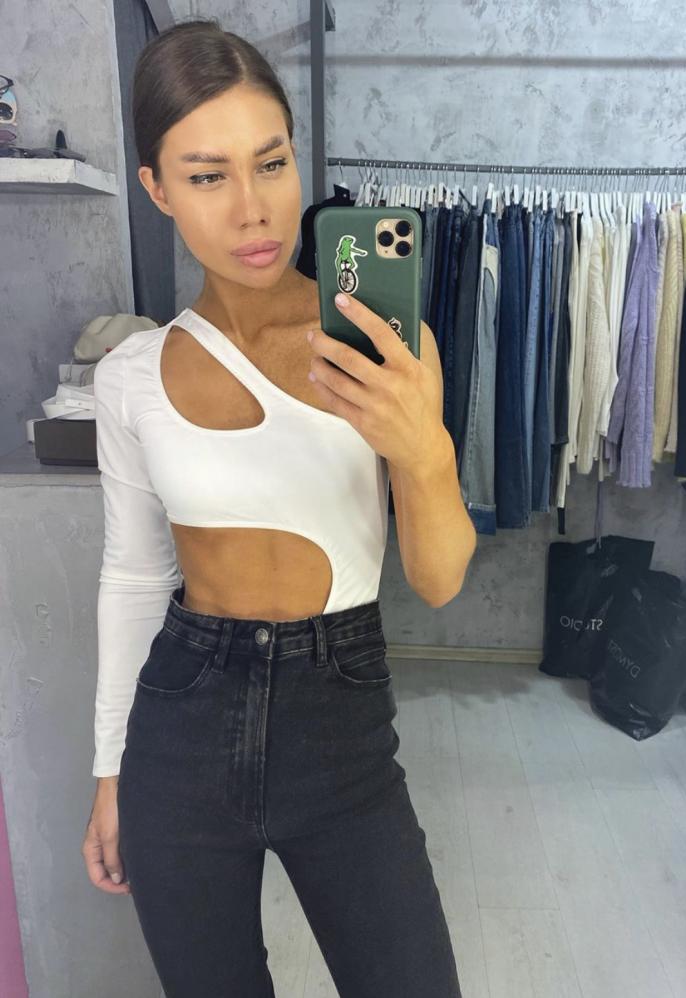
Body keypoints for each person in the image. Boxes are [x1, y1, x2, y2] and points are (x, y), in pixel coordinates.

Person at [79, 17, 475, 998]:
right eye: (207, 175)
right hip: (181, 721)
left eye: (271, 162)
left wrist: (423, 451)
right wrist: (109, 770)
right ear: (157, 189)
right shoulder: (131, 376)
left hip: (340, 718)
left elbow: (437, 580)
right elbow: (134, 576)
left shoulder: (385, 348)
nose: (253, 209)